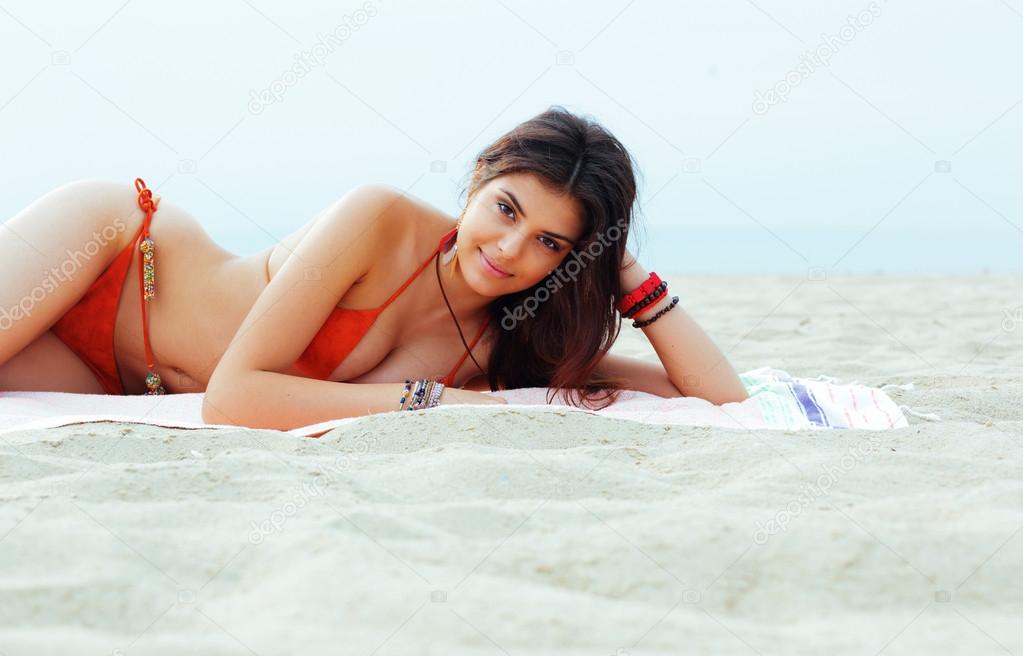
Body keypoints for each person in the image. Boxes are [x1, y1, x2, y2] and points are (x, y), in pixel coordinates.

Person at [0, 106, 747, 430]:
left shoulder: (510, 341)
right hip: (117, 256)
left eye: (553, 244)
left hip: (109, 375)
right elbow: (234, 396)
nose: (510, 251)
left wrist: (623, 270)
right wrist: (435, 402)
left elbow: (717, 396)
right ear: (479, 177)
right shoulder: (380, 218)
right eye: (507, 209)